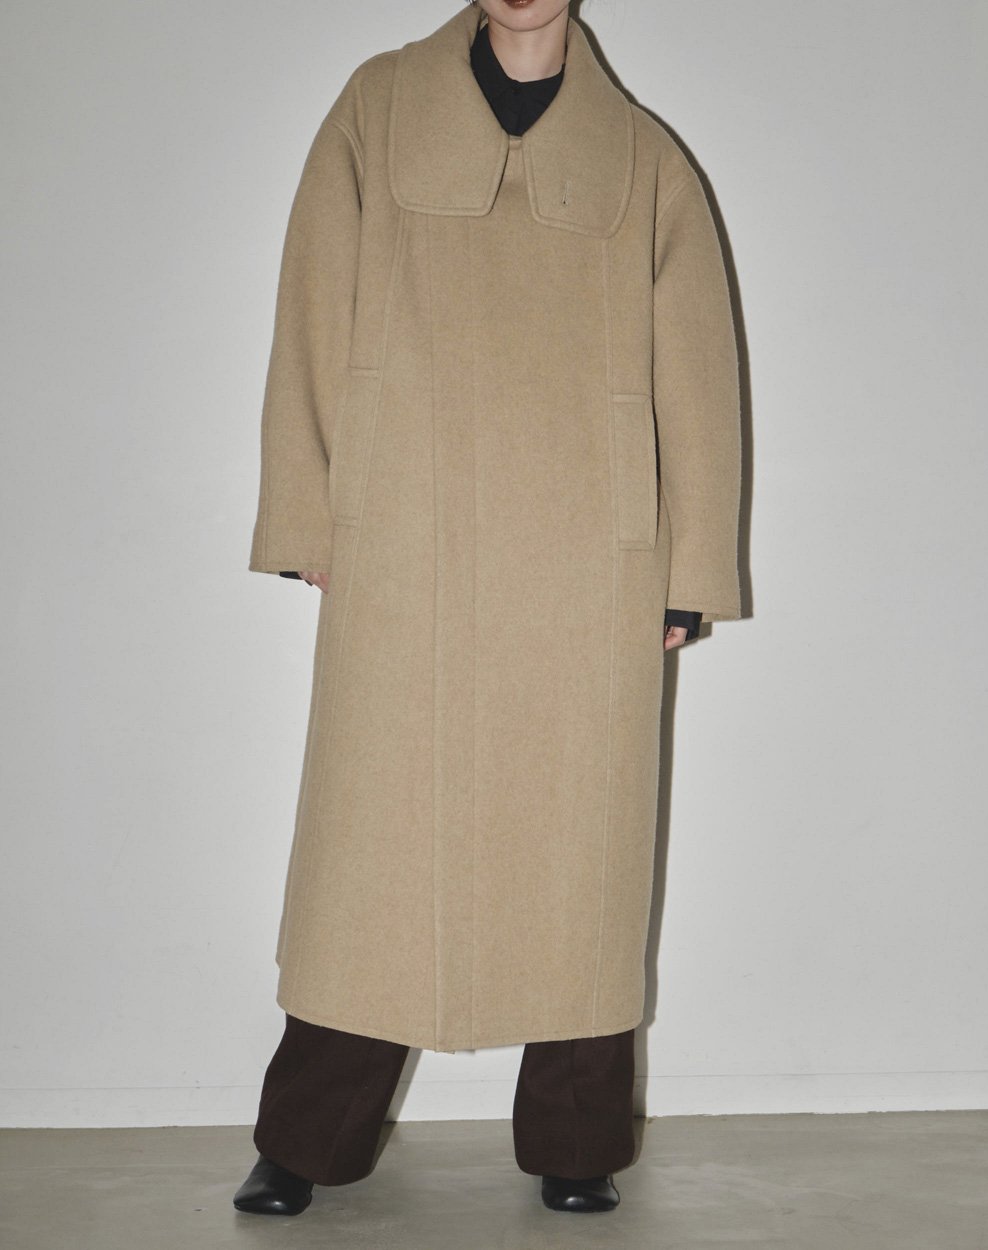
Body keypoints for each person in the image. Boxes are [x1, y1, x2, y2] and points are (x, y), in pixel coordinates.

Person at [235, 0, 743, 1218]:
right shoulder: (375, 107)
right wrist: (308, 515)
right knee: (372, 844)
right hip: (403, 525)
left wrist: (690, 570)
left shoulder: (644, 156)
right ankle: (305, 1137)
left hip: (589, 551)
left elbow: (698, 371)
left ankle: (576, 1138)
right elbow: (311, 305)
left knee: (582, 850)